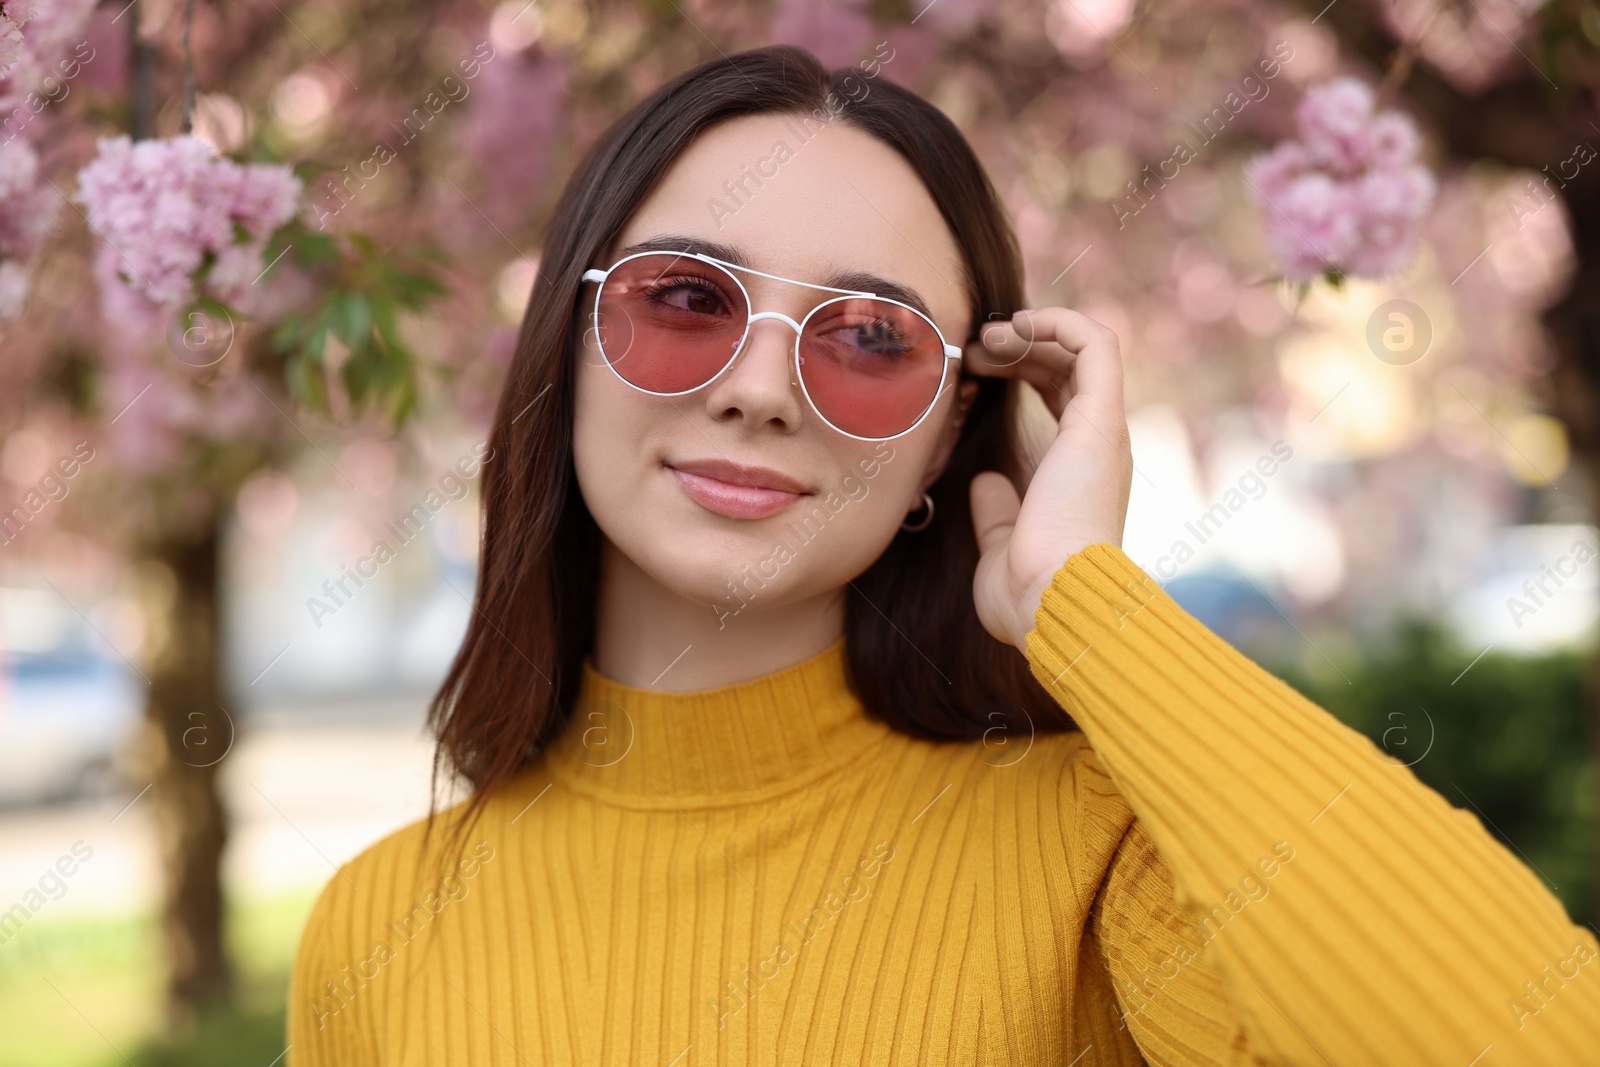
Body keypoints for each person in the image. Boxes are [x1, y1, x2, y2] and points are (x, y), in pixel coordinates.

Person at [287, 44, 1600, 1065]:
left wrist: (1092, 607)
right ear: (566, 351)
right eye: (687, 299)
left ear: (944, 444)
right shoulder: (374, 928)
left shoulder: (1097, 862)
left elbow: (1536, 1042)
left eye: (870, 339)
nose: (759, 389)